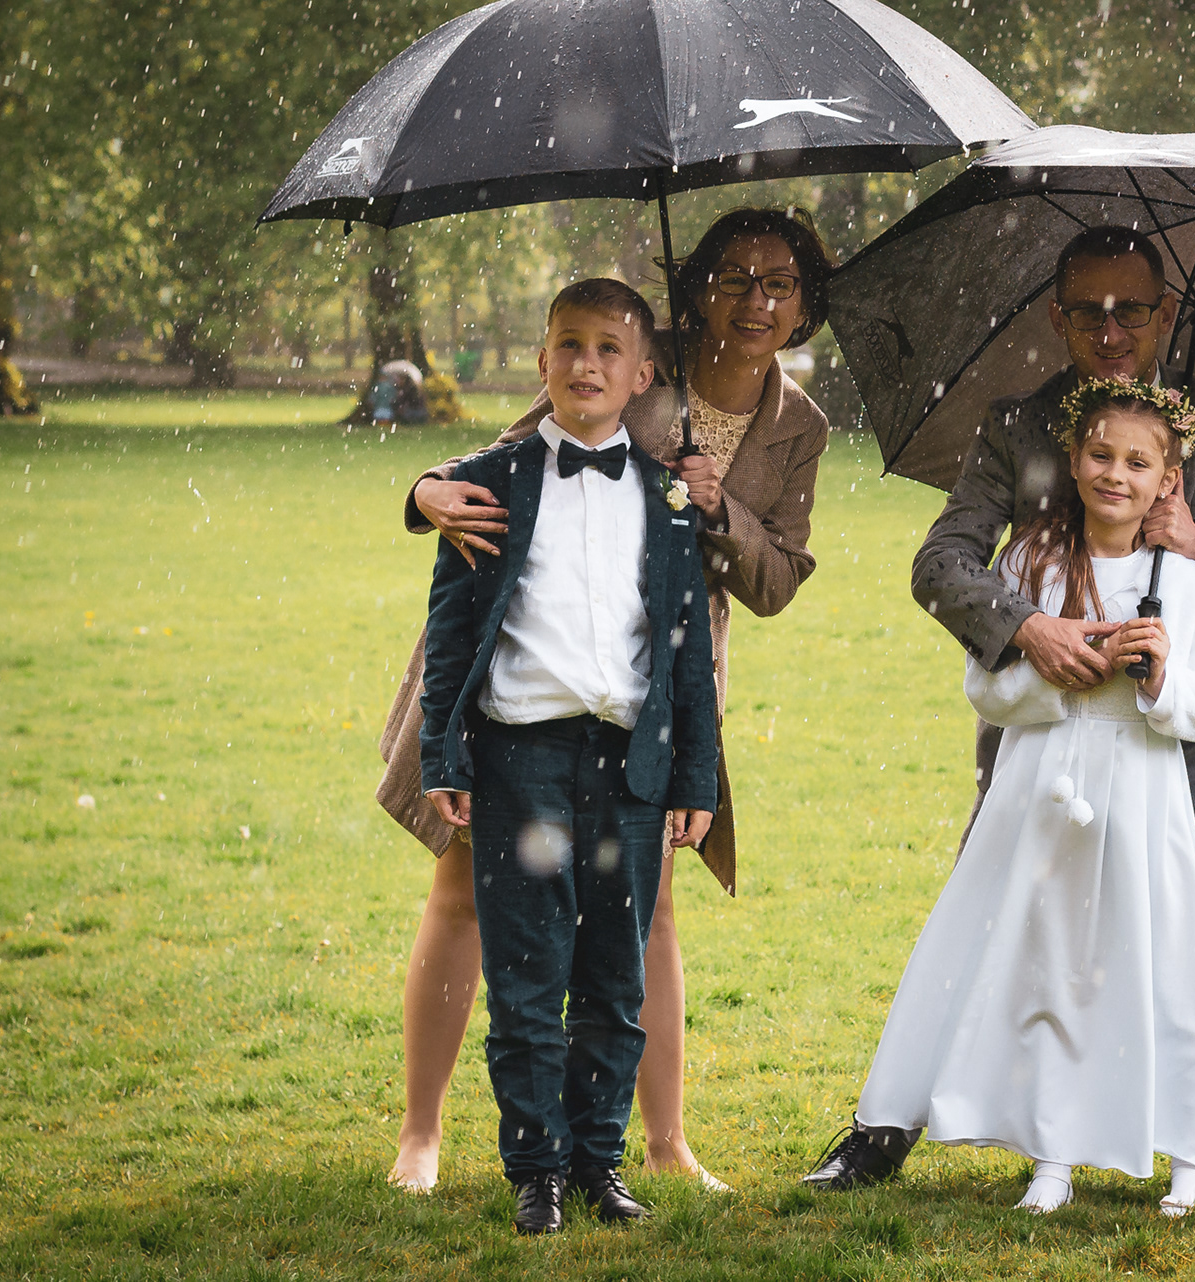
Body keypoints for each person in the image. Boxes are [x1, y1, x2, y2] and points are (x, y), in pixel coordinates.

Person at [805, 225, 1195, 1213]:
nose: (1110, 326)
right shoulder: (1017, 427)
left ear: (1164, 313)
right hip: (1056, 740)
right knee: (980, 922)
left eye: (1131, 307)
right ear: (1057, 318)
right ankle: (885, 1131)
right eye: (1087, 309)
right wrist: (1025, 623)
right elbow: (941, 563)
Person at [375, 207, 836, 1194]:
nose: (755, 299)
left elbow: (775, 579)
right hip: (528, 650)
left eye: (780, 282)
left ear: (805, 304)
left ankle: (661, 1140)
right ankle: (421, 1131)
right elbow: (498, 460)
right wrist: (421, 490)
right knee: (463, 888)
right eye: (736, 276)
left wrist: (720, 508)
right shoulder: (627, 354)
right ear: (701, 285)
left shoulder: (801, 427)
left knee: (648, 904)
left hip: (654, 670)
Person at [847, 379, 1195, 1217]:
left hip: (1143, 801)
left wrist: (1161, 681)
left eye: (1139, 462)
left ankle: (1190, 1151)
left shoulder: (1186, 584)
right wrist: (1056, 674)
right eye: (1100, 455)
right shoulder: (1029, 563)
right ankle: (1052, 1149)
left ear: (1167, 480)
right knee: (1051, 968)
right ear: (1072, 460)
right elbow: (983, 688)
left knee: (1160, 966)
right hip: (1043, 795)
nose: (1116, 474)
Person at [419, 276, 719, 1235]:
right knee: (528, 971)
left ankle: (599, 1161)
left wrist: (695, 775)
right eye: (568, 345)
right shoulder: (490, 482)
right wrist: (444, 757)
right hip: (522, 760)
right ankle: (536, 1170)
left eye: (608, 350)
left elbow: (687, 650)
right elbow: (452, 634)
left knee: (613, 979)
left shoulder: (671, 496)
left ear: (640, 375)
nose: (586, 364)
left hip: (631, 764)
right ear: (542, 362)